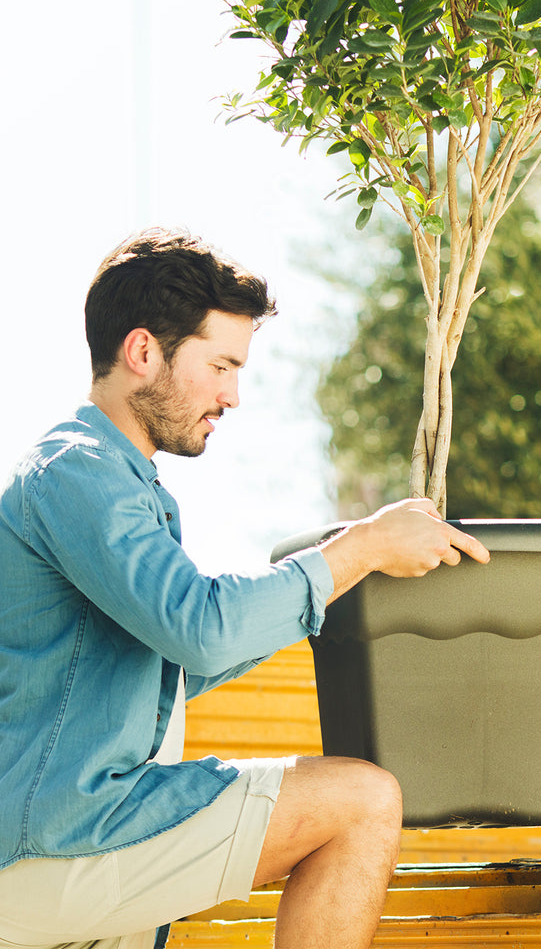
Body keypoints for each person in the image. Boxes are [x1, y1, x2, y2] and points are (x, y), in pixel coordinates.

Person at [0, 228, 490, 949]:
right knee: (362, 800)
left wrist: (351, 571)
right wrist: (358, 549)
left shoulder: (111, 483)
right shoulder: (79, 474)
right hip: (62, 839)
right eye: (221, 365)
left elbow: (184, 662)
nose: (233, 394)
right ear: (143, 353)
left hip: (71, 841)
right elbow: (203, 627)